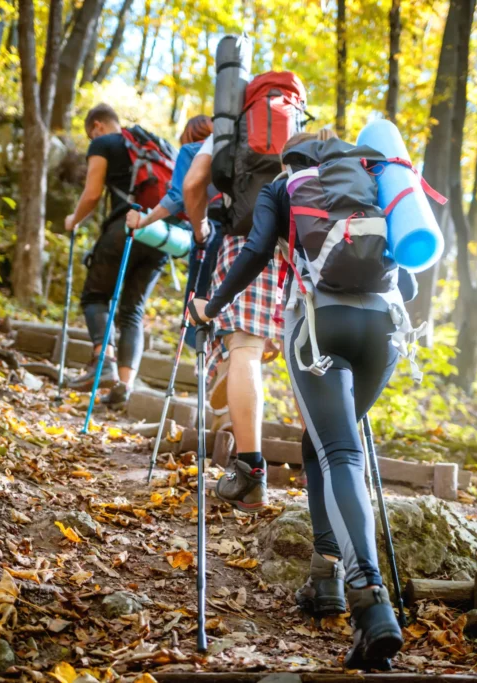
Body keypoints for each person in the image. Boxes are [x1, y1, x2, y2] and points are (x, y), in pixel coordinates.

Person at [188, 132, 417, 669]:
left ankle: (370, 599)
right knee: (326, 444)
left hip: (319, 324)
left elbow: (255, 251)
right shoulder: (375, 181)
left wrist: (213, 305)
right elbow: (407, 272)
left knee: (339, 452)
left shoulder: (285, 184)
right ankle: (326, 577)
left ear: (293, 161)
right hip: (383, 330)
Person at [182, 135, 284, 512]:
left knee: (245, 347)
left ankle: (250, 472)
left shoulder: (228, 130)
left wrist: (200, 227)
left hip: (244, 242)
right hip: (299, 248)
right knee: (307, 359)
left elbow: (193, 183)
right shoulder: (299, 127)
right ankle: (325, 475)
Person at [63, 104, 167, 406]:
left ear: (97, 126)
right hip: (160, 234)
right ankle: (124, 386)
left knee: (95, 296)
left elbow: (93, 193)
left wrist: (74, 219)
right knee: (132, 310)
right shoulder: (155, 146)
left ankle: (102, 360)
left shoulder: (104, 142)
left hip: (126, 227)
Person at [125, 115, 221, 320]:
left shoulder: (191, 152)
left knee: (198, 314)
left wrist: (144, 221)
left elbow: (177, 197)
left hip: (210, 236)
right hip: (245, 236)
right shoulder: (234, 149)